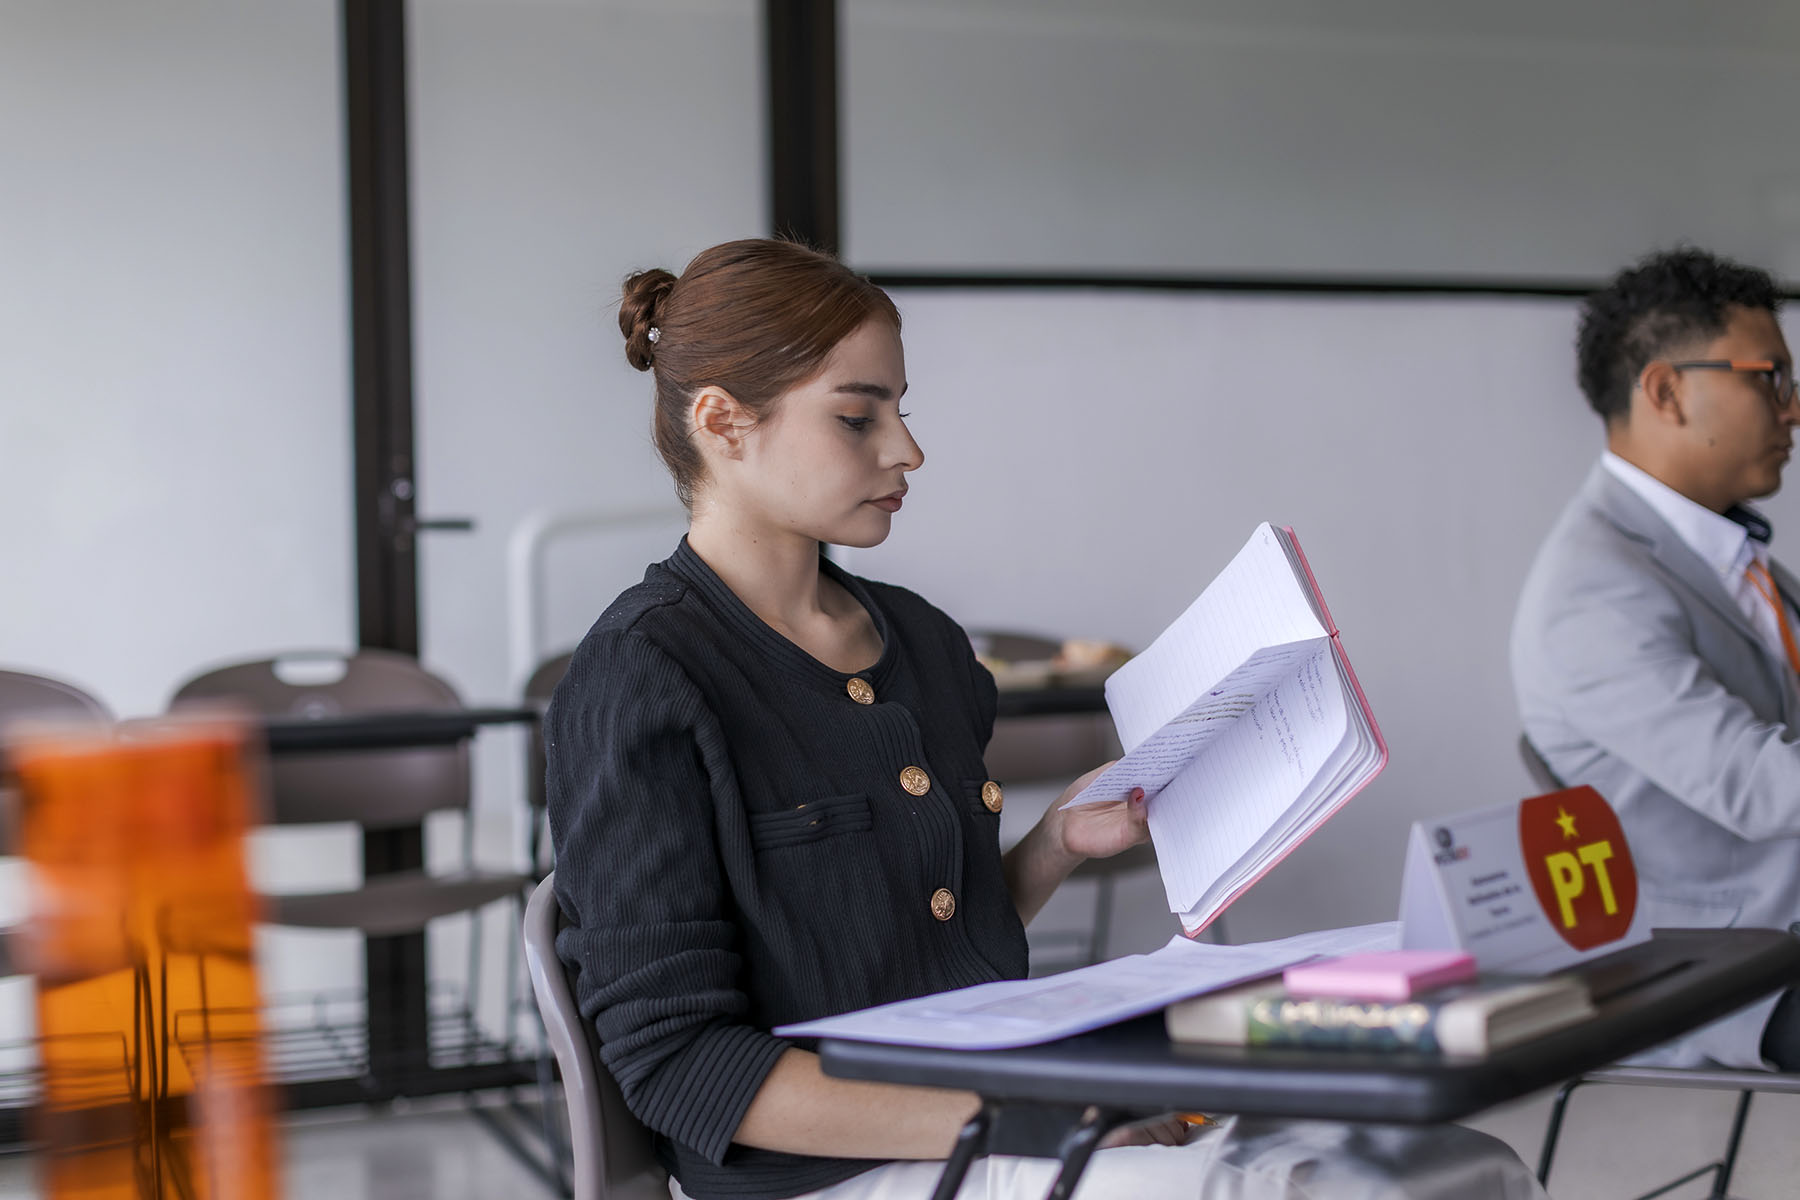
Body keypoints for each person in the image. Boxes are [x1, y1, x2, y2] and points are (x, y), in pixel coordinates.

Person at [547, 238, 1545, 1199]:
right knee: (1278, 1188)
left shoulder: (926, 645)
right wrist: (1045, 1113)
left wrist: (1057, 843)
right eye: (860, 417)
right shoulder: (643, 677)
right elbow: (679, 1064)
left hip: (996, 1123)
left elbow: (928, 943)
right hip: (829, 1179)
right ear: (723, 423)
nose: (908, 448)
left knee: (1452, 1165)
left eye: (901, 408)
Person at [1512, 246, 1800, 1070]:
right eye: (1768, 379)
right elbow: (1756, 787)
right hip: (1733, 963)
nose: (1793, 410)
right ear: (1667, 392)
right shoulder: (1592, 594)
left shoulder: (1729, 555)